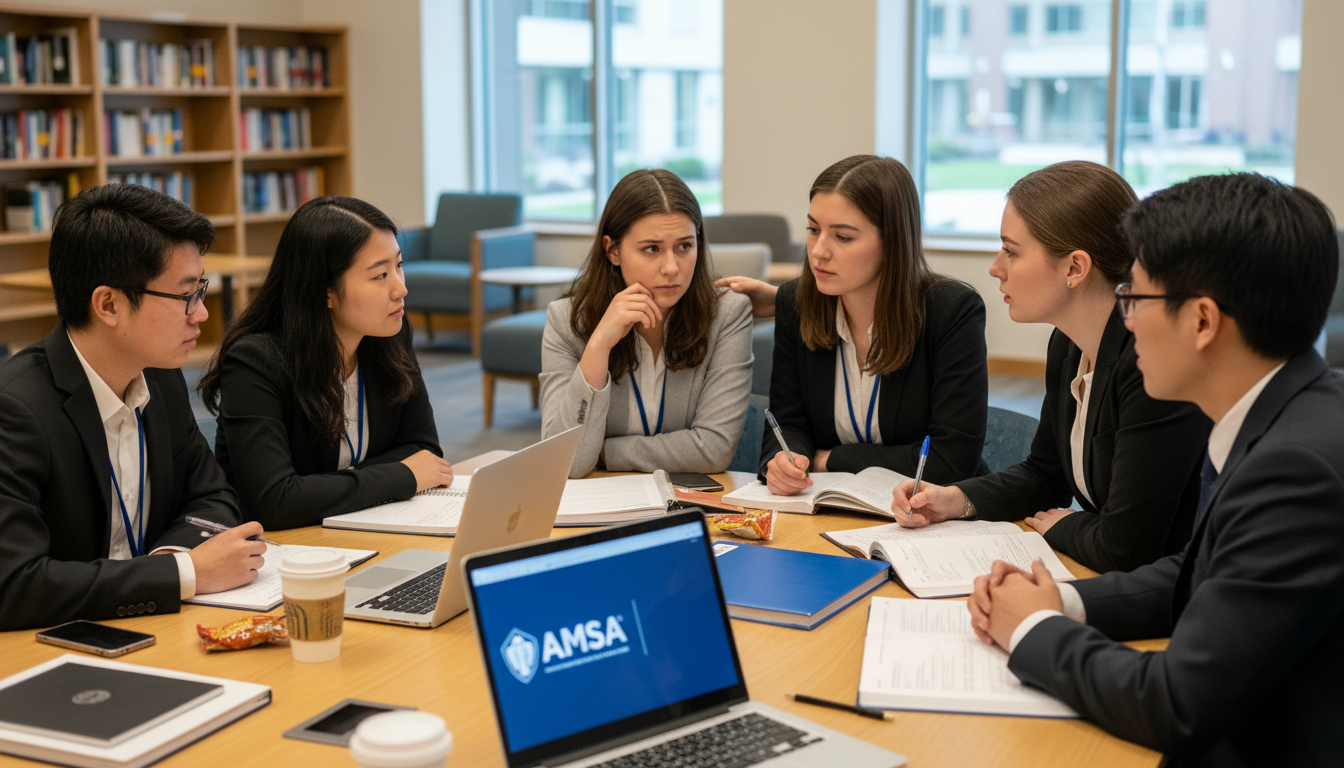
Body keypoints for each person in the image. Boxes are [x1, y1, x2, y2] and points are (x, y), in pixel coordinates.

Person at [966, 173, 1344, 767]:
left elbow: (1177, 704)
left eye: (1135, 299)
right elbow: (1200, 574)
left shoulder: (1296, 470)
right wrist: (1060, 601)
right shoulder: (1287, 413)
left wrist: (1032, 629)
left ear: (1202, 321)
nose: (1127, 320)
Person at [889, 162, 1211, 572]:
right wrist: (955, 500)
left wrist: (1067, 525)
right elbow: (1046, 475)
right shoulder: (1068, 344)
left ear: (1075, 268)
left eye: (1011, 251)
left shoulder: (1148, 363)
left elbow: (1126, 548)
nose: (995, 268)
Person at [0, 184, 266, 631]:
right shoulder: (16, 410)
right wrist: (183, 573)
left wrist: (169, 560)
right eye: (186, 295)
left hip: (154, 622)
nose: (201, 313)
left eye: (200, 289)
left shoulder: (160, 379)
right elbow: (13, 585)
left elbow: (212, 495)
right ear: (109, 305)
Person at [721, 155, 988, 494]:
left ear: (892, 242)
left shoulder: (951, 311)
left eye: (843, 237)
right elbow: (787, 425)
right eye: (813, 230)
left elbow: (950, 461)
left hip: (926, 512)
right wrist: (785, 462)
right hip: (825, 505)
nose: (819, 251)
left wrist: (832, 459)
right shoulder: (796, 304)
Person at [199, 197, 450, 530]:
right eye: (380, 275)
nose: (400, 288)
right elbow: (275, 500)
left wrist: (323, 488)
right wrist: (401, 475)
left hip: (364, 528)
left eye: (399, 266)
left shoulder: (389, 335)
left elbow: (425, 451)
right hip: (286, 547)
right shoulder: (256, 362)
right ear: (325, 291)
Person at [541, 169, 753, 478]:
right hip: (601, 498)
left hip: (689, 499)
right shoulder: (566, 320)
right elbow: (563, 462)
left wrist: (607, 452)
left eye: (684, 246)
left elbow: (713, 449)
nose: (671, 268)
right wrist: (598, 346)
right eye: (652, 249)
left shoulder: (727, 314)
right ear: (613, 251)